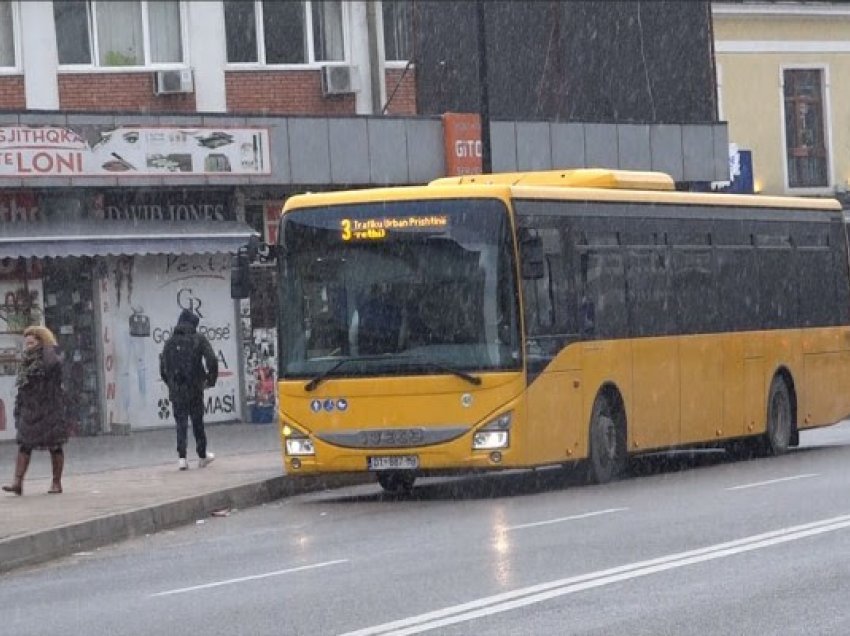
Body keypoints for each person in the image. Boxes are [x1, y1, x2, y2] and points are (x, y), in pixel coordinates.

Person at [3, 325, 69, 496]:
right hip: (30, 410)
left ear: (42, 342)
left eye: (31, 343)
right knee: (24, 445)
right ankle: (17, 482)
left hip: (50, 409)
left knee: (55, 446)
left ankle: (56, 482)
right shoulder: (27, 362)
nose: (28, 346)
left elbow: (51, 365)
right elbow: (23, 387)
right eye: (27, 344)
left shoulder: (52, 356)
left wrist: (48, 344)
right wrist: (19, 409)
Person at [159, 309, 218, 470]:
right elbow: (212, 359)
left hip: (177, 389)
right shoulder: (198, 339)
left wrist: (172, 383)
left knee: (181, 423)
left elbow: (163, 368)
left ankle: (182, 458)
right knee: (198, 422)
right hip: (195, 387)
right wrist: (210, 380)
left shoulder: (169, 343)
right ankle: (202, 455)